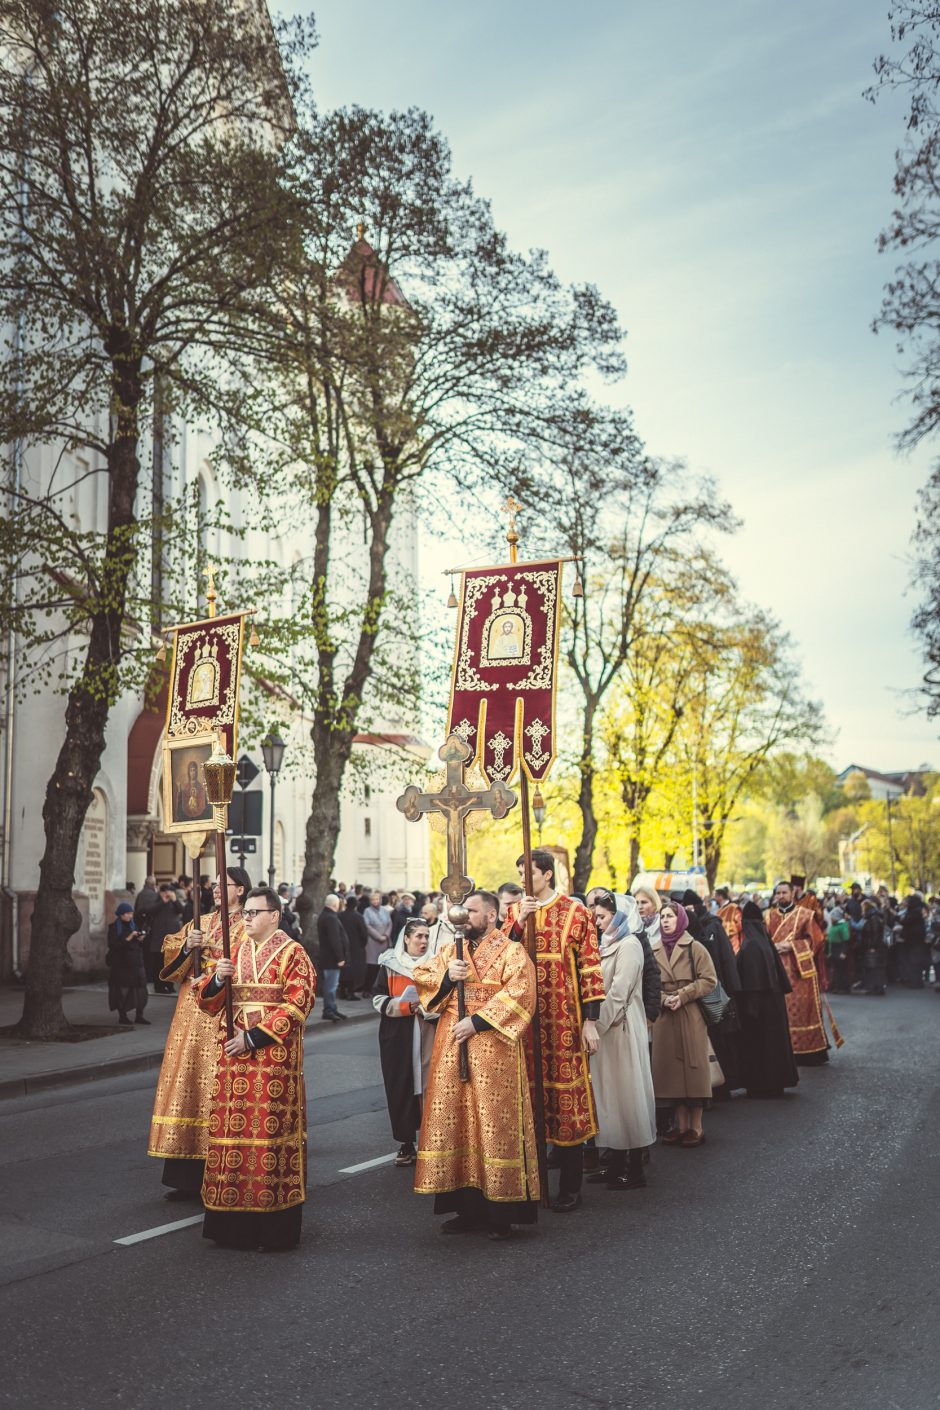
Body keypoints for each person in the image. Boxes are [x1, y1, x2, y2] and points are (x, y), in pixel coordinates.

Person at [413, 891, 540, 1240]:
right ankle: (466, 1209)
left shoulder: (513, 952)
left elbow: (522, 994)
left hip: (494, 1049)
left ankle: (501, 1212)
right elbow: (424, 979)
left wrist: (479, 1022)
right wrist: (446, 979)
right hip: (452, 1047)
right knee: (458, 1124)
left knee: (493, 1128)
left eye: (471, 911)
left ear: (493, 915)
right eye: (462, 911)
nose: (463, 916)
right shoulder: (453, 951)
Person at [195, 886, 316, 1251]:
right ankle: (232, 1227)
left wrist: (253, 1039)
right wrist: (218, 978)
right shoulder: (233, 952)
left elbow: (299, 1003)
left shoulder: (293, 952)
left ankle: (271, 1228)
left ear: (274, 915)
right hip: (233, 1059)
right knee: (231, 1134)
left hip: (272, 1061)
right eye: (244, 913)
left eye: (253, 913)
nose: (245, 918)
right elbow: (207, 1002)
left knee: (267, 1138)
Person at [505, 849, 605, 1213]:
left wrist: (590, 1022)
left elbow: (591, 968)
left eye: (527, 872)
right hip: (527, 1016)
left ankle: (571, 1186)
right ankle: (533, 1183)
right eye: (518, 872)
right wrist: (519, 923)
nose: (521, 879)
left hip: (564, 1020)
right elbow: (501, 955)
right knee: (530, 1098)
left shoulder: (577, 912)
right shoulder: (515, 911)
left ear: (546, 874)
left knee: (566, 1100)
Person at [147, 868, 251, 1201]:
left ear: (242, 889)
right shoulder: (200, 922)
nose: (218, 890)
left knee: (216, 1086)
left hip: (222, 1014)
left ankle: (219, 1167)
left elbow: (250, 964)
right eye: (216, 885)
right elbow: (171, 966)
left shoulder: (248, 924)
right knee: (187, 1083)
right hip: (190, 1016)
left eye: (226, 885)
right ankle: (185, 1174)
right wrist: (186, 948)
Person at [588, 903, 656, 1190]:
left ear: (619, 915)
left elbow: (618, 991)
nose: (598, 922)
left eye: (603, 916)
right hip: (608, 1031)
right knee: (611, 1099)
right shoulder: (609, 943)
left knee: (628, 1097)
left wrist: (596, 1025)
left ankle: (635, 1168)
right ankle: (615, 1162)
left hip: (621, 1030)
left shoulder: (629, 945)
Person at [649, 901, 718, 1148]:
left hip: (690, 1014)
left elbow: (709, 980)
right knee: (671, 1072)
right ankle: (681, 1126)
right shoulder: (653, 949)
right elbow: (647, 985)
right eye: (663, 916)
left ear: (680, 919)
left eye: (670, 916)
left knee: (693, 1069)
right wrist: (664, 999)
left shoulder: (695, 947)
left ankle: (696, 1127)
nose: (666, 920)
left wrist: (684, 994)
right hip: (665, 1016)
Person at [373, 917, 433, 1166]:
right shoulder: (389, 964)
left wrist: (427, 1009)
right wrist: (408, 1006)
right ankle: (406, 1143)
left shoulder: (435, 965)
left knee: (430, 1085)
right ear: (406, 939)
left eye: (427, 936)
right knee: (401, 1086)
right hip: (398, 1036)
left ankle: (432, 1143)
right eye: (418, 936)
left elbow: (446, 998)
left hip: (428, 1031)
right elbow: (378, 999)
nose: (423, 941)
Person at [682, 890, 743, 1097]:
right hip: (707, 992)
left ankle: (723, 1084)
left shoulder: (713, 926)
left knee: (720, 1040)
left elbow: (725, 959)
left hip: (716, 991)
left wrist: (732, 990)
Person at [735, 902, 799, 1097]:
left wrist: (749, 1008)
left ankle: (762, 1084)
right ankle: (776, 1082)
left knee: (762, 1045)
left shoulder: (751, 945)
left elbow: (753, 981)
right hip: (773, 1003)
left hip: (759, 1006)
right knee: (774, 1043)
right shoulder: (765, 941)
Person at [766, 880, 830, 1065]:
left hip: (799, 972)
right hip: (776, 970)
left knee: (801, 1011)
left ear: (792, 894)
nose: (780, 896)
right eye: (777, 893)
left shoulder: (805, 915)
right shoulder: (769, 917)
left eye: (784, 893)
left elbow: (816, 941)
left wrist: (791, 945)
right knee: (780, 1011)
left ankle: (807, 1051)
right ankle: (783, 1050)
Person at [106, 901, 149, 1026]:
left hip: (136, 963)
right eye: (127, 913)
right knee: (122, 991)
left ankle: (139, 1015)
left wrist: (141, 940)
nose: (130, 916)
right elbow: (113, 945)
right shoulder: (114, 927)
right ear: (121, 914)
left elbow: (139, 945)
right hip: (121, 965)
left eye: (131, 913)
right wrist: (128, 938)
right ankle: (122, 1016)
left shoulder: (133, 925)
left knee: (141, 991)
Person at [146, 883, 183, 994]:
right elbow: (149, 910)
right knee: (158, 964)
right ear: (161, 892)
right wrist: (163, 902)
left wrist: (175, 900)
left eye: (170, 892)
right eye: (165, 892)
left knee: (170, 963)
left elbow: (181, 910)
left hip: (171, 938)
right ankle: (159, 986)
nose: (168, 894)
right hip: (159, 939)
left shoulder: (174, 902)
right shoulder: (157, 901)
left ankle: (169, 985)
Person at [316, 893, 348, 1022]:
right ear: (335, 904)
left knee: (332, 985)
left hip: (328, 957)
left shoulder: (326, 916)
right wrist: (340, 957)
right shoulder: (330, 918)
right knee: (331, 985)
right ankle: (329, 1010)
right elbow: (335, 939)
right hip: (331, 959)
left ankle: (332, 1008)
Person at [852, 899, 888, 996]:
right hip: (873, 946)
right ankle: (875, 987)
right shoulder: (874, 917)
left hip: (873, 947)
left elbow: (875, 934)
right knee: (874, 968)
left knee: (874, 968)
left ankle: (876, 987)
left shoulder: (873, 918)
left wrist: (873, 946)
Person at [895, 895, 929, 988]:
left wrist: (896, 917)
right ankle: (915, 981)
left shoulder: (915, 912)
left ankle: (916, 982)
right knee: (914, 962)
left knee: (914, 962)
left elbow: (905, 921)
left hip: (914, 941)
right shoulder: (916, 911)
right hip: (914, 940)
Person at [363, 890, 392, 994]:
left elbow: (390, 924)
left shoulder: (385, 910)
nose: (375, 901)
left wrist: (386, 935)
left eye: (377, 899)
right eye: (373, 899)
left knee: (382, 967)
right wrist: (378, 936)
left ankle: (379, 989)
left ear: (380, 900)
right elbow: (367, 926)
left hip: (384, 942)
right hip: (373, 943)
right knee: (372, 967)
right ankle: (367, 989)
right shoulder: (367, 911)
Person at [339, 896, 369, 998]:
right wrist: (362, 944)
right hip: (356, 947)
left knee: (344, 969)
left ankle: (342, 991)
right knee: (354, 969)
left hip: (343, 945)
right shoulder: (358, 917)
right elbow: (364, 934)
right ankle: (351, 992)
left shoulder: (340, 915)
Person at [826, 906, 852, 994]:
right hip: (834, 949)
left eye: (832, 917)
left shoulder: (842, 926)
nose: (831, 918)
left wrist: (843, 952)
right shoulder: (835, 926)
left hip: (839, 948)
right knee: (836, 969)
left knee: (842, 970)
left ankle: (844, 987)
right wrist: (829, 952)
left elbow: (846, 940)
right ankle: (837, 986)